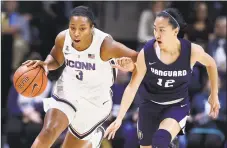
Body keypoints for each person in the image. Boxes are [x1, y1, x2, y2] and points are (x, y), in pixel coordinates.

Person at [23, 6, 137, 148]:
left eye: (82, 28)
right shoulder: (63, 38)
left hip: (95, 100)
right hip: (68, 89)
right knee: (49, 131)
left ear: (92, 28)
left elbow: (138, 58)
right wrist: (46, 64)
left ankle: (94, 138)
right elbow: (55, 58)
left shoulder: (105, 45)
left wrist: (130, 67)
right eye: (72, 28)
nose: (76, 33)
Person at [104, 8, 220, 148]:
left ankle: (169, 141)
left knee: (160, 139)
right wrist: (120, 118)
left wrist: (214, 95)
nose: (157, 35)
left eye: (162, 30)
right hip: (149, 106)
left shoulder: (191, 51)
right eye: (155, 29)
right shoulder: (147, 52)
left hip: (176, 105)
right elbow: (132, 86)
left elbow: (211, 64)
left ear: (175, 31)